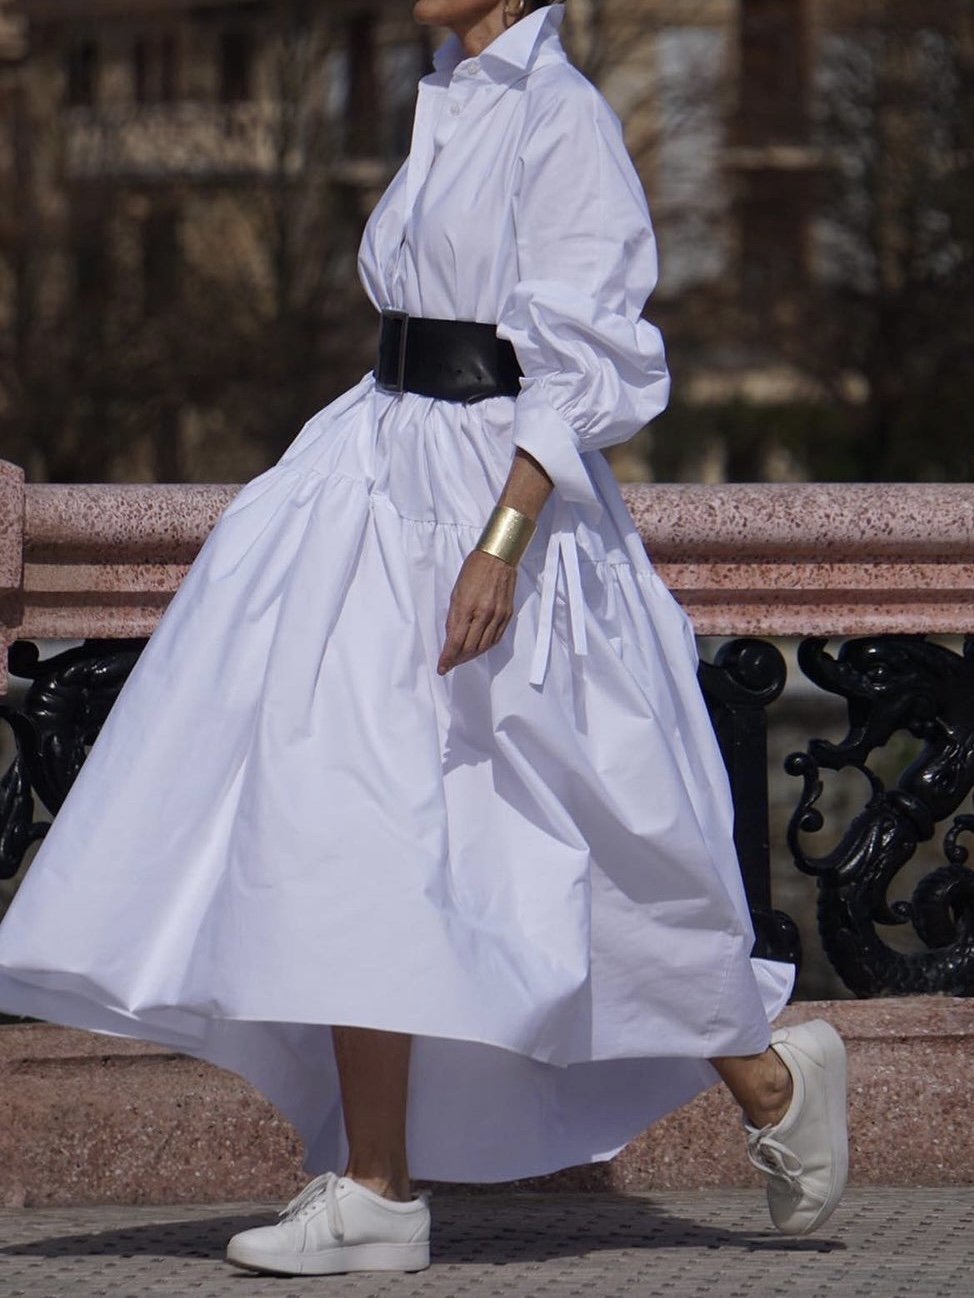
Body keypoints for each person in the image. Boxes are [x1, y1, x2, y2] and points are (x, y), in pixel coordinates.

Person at [0, 0, 848, 1278]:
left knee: (569, 842)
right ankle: (377, 1184)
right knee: (347, 824)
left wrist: (497, 548)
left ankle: (769, 1074)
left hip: (492, 510)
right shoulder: (446, 92)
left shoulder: (561, 118)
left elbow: (592, 367)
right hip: (370, 478)